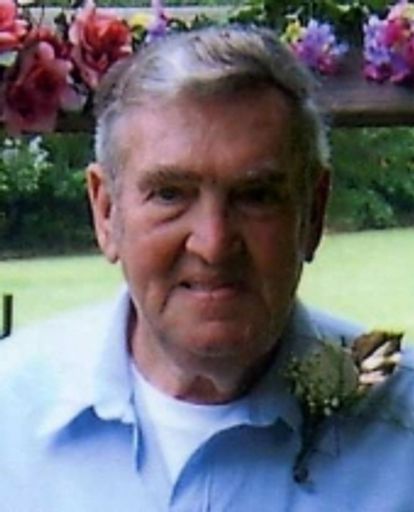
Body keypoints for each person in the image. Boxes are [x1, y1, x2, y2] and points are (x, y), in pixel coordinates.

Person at [1, 24, 413, 512]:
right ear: (106, 212)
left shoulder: (402, 431)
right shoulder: (10, 413)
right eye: (170, 194)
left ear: (313, 211)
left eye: (255, 196)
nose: (214, 245)